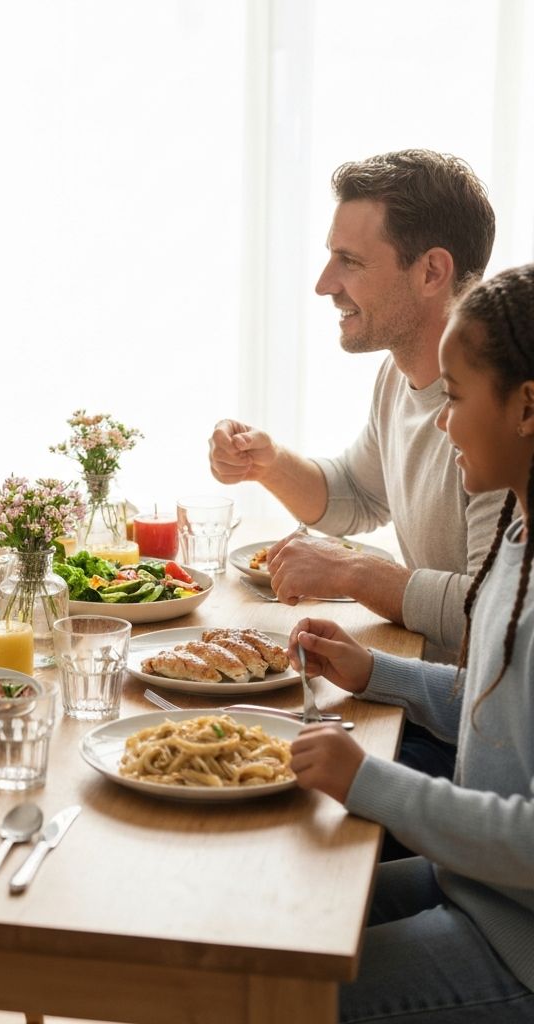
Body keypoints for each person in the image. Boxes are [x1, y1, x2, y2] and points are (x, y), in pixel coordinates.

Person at [289, 263, 534, 1022]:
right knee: (271, 923)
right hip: (480, 886)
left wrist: (368, 781)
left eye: (455, 399)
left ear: (527, 407)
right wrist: (377, 673)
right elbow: (498, 701)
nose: (442, 422)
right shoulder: (518, 535)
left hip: (515, 940)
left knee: (262, 999)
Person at [209, 150, 504, 668]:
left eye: (351, 260)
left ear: (432, 271)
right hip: (425, 688)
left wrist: (351, 572)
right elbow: (360, 493)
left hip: (468, 725)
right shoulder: (399, 374)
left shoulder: (504, 411)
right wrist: (269, 463)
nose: (324, 283)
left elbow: (495, 613)